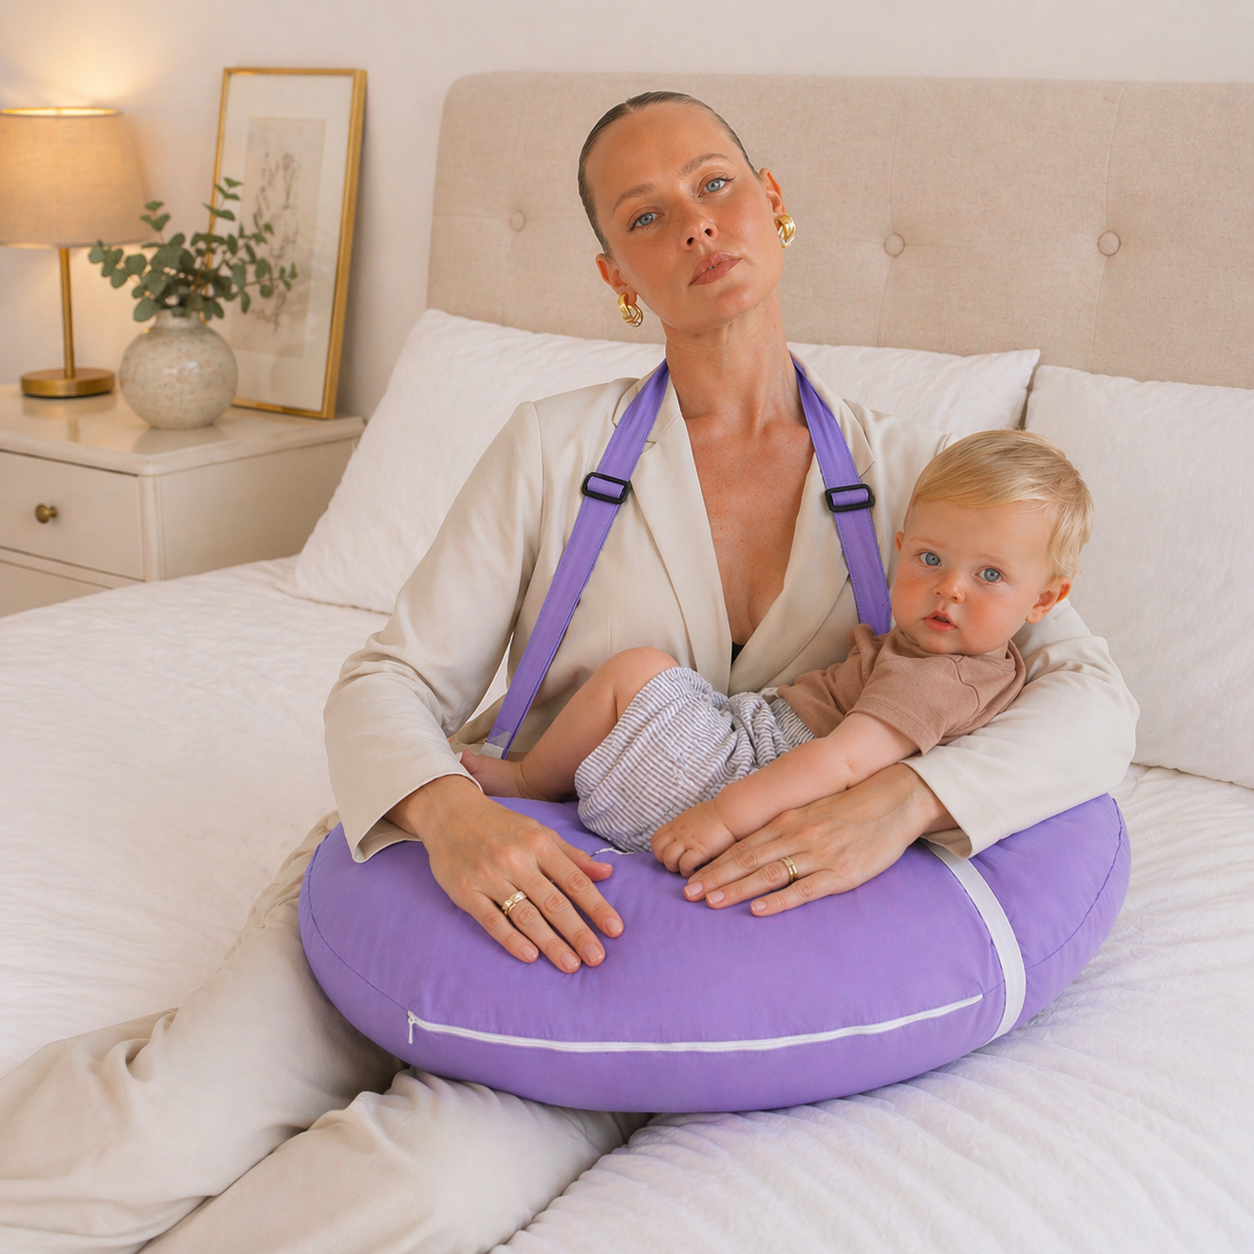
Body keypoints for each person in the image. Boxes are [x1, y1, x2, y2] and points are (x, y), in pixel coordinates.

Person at [0, 92, 1137, 1254]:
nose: (694, 226)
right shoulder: (552, 447)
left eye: (715, 185)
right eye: (646, 216)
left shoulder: (917, 484)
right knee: (152, 1133)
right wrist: (453, 820)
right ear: (616, 275)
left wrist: (902, 803)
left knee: (415, 1195)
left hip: (629, 954)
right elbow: (389, 680)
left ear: (773, 205)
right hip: (468, 857)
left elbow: (1097, 703)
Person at [463, 430, 1090, 878]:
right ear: (900, 548)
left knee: (637, 670)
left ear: (1046, 600)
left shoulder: (940, 677)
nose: (949, 587)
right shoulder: (971, 660)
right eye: (930, 559)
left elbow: (841, 764)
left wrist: (721, 818)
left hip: (740, 780)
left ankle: (528, 781)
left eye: (989, 576)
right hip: (736, 760)